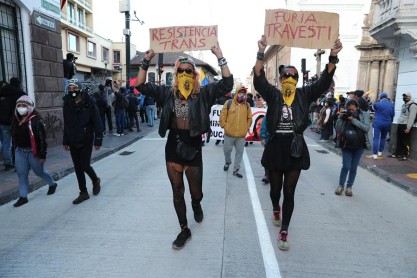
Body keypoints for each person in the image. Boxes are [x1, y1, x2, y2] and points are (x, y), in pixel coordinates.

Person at [136, 43, 233, 250]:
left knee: (195, 193)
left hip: (194, 146)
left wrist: (220, 55)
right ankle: (184, 229)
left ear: (195, 75)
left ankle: (196, 205)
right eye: (181, 70)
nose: (184, 74)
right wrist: (147, 60)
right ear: (176, 73)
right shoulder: (167, 94)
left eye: (189, 71)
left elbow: (227, 83)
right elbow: (141, 85)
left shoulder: (203, 94)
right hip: (173, 146)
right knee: (178, 192)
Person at [253, 35, 343, 251]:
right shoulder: (273, 95)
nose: (291, 78)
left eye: (294, 76)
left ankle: (284, 229)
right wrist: (261, 52)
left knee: (290, 192)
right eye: (287, 75)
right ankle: (276, 207)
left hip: (295, 146)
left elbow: (323, 81)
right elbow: (258, 78)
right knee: (276, 190)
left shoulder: (304, 94)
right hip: (276, 146)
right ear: (281, 78)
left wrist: (332, 56)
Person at [11, 95, 57, 207]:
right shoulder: (15, 120)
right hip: (20, 151)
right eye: (19, 105)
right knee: (22, 175)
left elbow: (42, 140)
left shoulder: (37, 121)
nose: (21, 108)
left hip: (33, 152)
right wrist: (13, 154)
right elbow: (13, 138)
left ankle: (52, 184)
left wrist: (43, 155)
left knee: (39, 172)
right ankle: (23, 197)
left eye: (24, 105)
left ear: (30, 107)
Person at [63, 81, 103, 204]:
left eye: (75, 88)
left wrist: (98, 139)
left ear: (80, 89)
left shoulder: (89, 103)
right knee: (77, 168)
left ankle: (95, 180)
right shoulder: (67, 104)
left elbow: (97, 121)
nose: (72, 90)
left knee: (85, 165)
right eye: (70, 88)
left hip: (86, 139)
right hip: (73, 139)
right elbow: (67, 123)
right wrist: (66, 141)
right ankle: (83, 193)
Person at [335, 99, 371, 196]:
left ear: (357, 107)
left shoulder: (364, 115)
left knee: (353, 168)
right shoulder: (344, 114)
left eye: (353, 109)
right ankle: (340, 185)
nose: (351, 111)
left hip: (359, 145)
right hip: (346, 144)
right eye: (349, 109)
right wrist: (340, 118)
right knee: (346, 166)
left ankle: (349, 187)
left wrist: (353, 120)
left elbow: (366, 128)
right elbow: (338, 129)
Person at [219, 85, 252, 178]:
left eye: (243, 93)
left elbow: (249, 118)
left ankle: (236, 170)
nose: (242, 95)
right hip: (229, 134)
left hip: (241, 135)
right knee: (227, 150)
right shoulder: (228, 103)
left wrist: (246, 127)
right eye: (240, 93)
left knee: (239, 153)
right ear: (237, 93)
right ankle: (227, 161)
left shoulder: (247, 105)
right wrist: (225, 126)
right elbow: (222, 116)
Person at [0, 77, 26, 171]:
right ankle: (18, 163)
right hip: (15, 122)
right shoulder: (20, 93)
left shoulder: (2, 92)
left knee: (6, 143)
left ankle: (7, 163)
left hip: (2, 122)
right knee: (17, 143)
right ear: (19, 83)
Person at [390, 92, 416, 160]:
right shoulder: (404, 105)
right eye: (404, 96)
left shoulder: (413, 106)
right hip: (400, 124)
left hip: (406, 125)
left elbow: (411, 117)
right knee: (399, 140)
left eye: (406, 96)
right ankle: (398, 154)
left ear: (410, 97)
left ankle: (404, 155)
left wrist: (408, 127)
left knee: (405, 141)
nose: (404, 98)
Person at [370, 92, 394, 159]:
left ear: (380, 97)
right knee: (383, 138)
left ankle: (375, 154)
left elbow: (372, 109)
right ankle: (380, 152)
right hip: (387, 123)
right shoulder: (392, 105)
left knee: (376, 138)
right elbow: (393, 115)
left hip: (378, 123)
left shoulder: (377, 104)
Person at [260, 112, 269, 184]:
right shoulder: (270, 112)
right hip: (270, 140)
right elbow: (264, 125)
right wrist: (263, 137)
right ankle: (267, 175)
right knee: (267, 159)